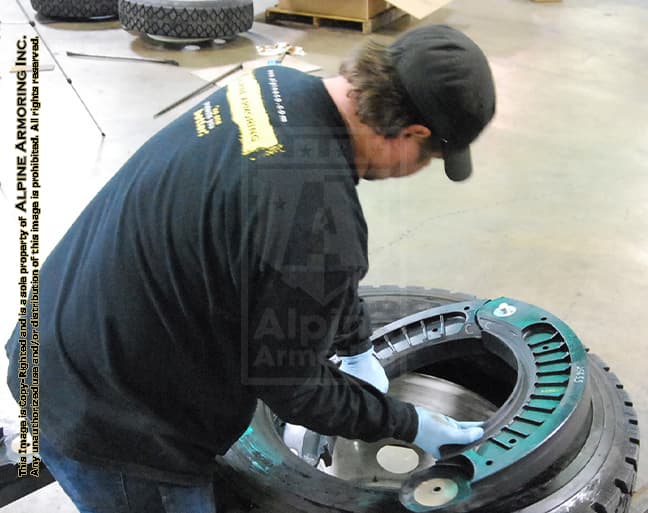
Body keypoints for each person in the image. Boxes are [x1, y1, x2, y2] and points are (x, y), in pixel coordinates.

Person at [5, 24, 495, 512]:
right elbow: (295, 391)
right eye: (429, 157)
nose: (418, 168)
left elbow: (287, 266)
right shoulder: (317, 218)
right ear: (412, 134)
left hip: (50, 341)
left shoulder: (271, 86)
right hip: (121, 429)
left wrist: (357, 344)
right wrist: (408, 424)